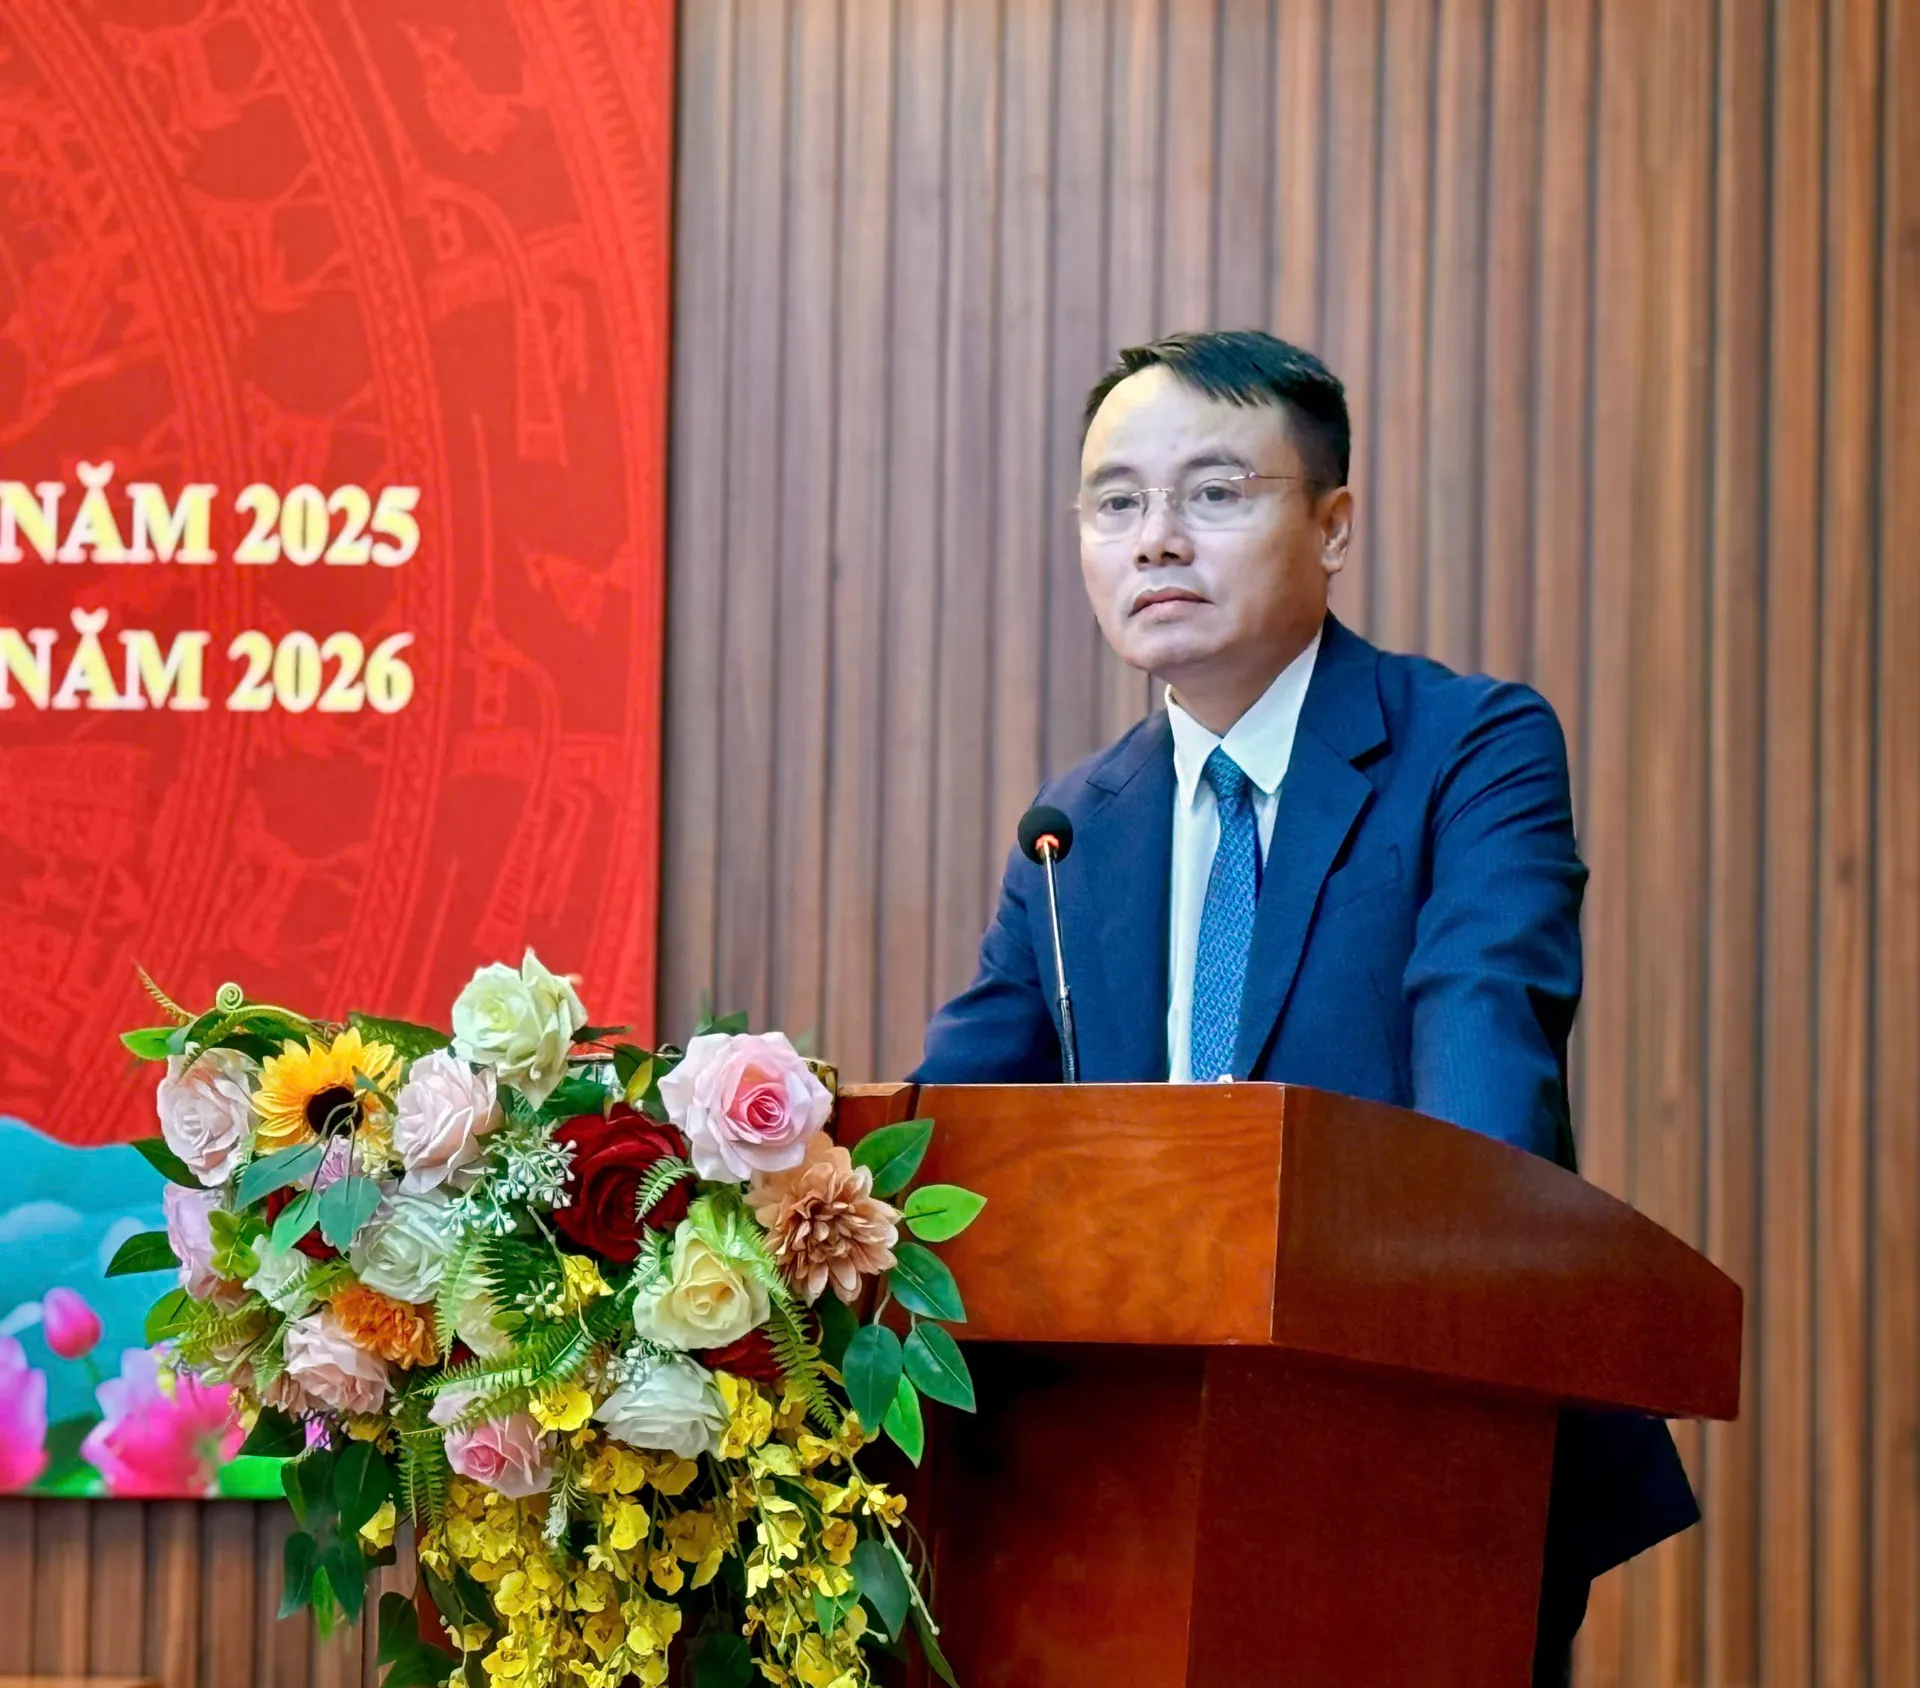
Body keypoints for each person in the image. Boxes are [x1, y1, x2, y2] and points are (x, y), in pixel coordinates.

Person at [912, 328, 1697, 1685]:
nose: (1157, 539)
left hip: (1419, 1462)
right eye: (1116, 503)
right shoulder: (1075, 828)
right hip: (1123, 1495)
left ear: (1333, 527)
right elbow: (942, 1139)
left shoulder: (1469, 749)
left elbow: (1482, 1079)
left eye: (1214, 493)